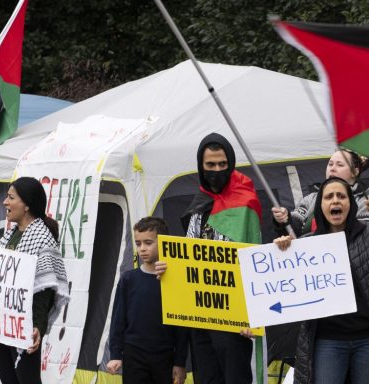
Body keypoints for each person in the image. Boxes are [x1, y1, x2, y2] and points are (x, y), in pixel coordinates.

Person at [272, 177, 369, 384]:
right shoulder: (306, 244)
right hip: (327, 340)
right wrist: (283, 247)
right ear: (321, 206)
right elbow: (284, 287)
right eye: (328, 197)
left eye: (341, 196)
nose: (335, 201)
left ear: (350, 204)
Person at [156, 133, 261, 384]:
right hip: (200, 315)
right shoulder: (199, 204)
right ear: (201, 167)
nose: (216, 170)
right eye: (210, 165)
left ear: (231, 164)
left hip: (234, 318)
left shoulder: (246, 203)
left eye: (222, 165)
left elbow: (257, 262)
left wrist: (252, 318)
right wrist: (168, 269)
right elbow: (189, 256)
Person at [0, 177, 70, 384]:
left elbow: (45, 289)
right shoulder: (9, 236)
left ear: (26, 204)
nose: (4, 202)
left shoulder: (42, 238)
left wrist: (38, 325)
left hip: (24, 327)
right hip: (1, 326)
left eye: (10, 197)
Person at [106, 217, 188, 384]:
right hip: (133, 355)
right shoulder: (129, 279)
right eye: (138, 243)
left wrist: (180, 362)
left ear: (164, 242)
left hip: (165, 356)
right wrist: (115, 354)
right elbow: (118, 320)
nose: (142, 249)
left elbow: (182, 326)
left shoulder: (175, 280)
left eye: (148, 243)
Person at [271, 149, 369, 236]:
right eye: (330, 164)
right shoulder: (311, 198)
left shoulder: (367, 200)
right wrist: (285, 219)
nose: (332, 169)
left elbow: (366, 239)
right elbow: (295, 228)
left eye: (339, 165)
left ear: (355, 171)